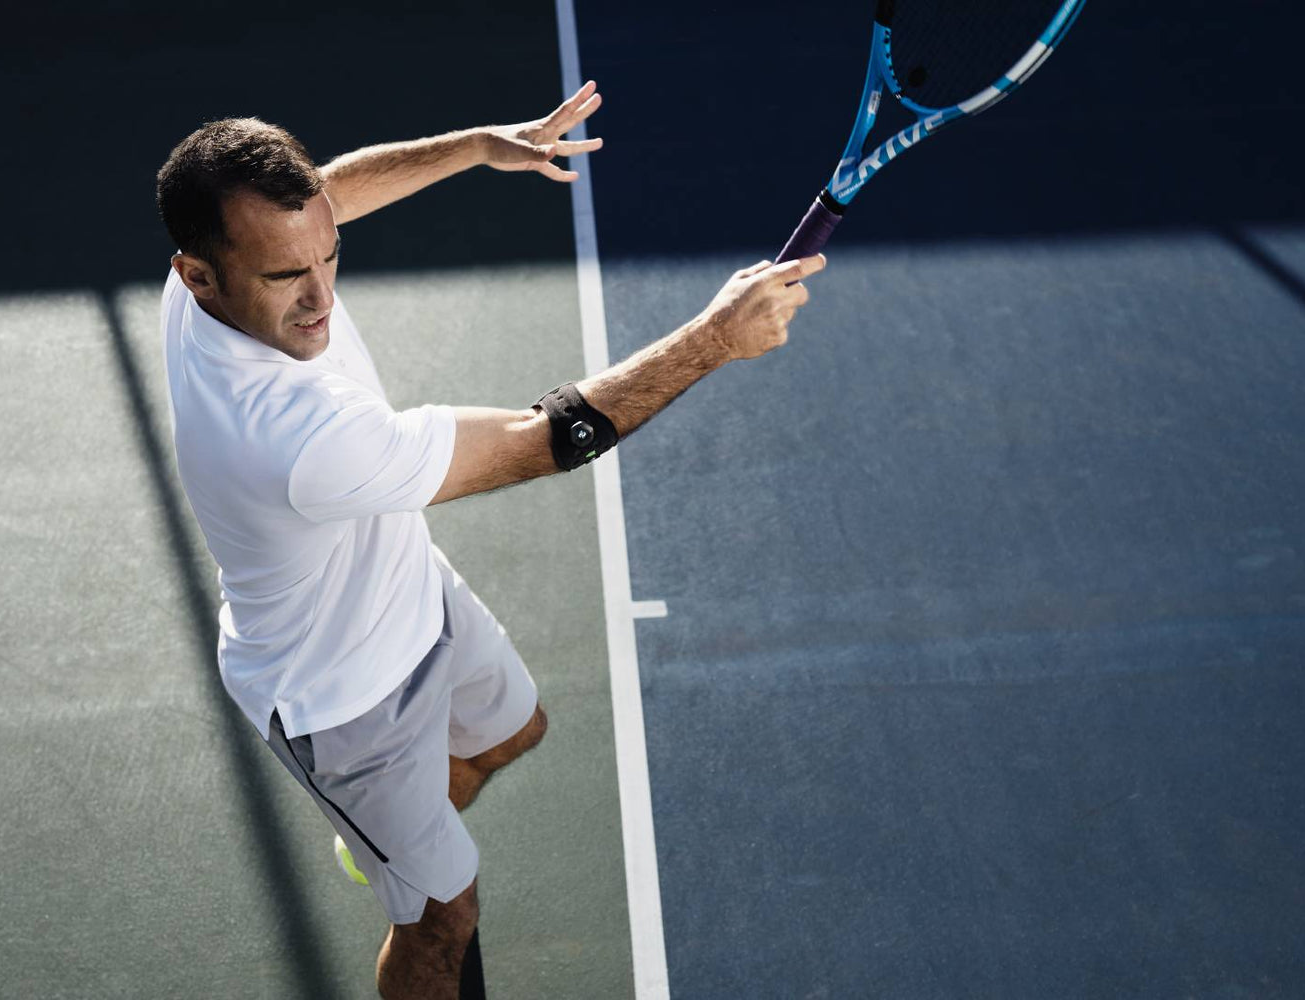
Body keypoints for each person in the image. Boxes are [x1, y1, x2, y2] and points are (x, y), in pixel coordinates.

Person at [154, 81, 824, 999]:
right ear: (200, 273)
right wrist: (715, 337)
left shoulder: (214, 257)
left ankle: (381, 841)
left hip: (406, 587)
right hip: (337, 695)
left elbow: (330, 192)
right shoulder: (296, 437)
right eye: (285, 278)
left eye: (329, 257)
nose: (319, 299)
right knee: (443, 917)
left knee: (514, 732)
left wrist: (476, 144)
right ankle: (391, 848)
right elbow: (541, 440)